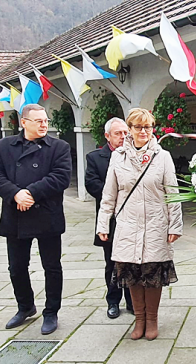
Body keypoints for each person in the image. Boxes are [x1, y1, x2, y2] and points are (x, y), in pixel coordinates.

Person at [96, 108, 183, 341]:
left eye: (147, 127)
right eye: (138, 127)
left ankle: (152, 319)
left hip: (156, 223)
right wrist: (103, 224)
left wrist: (175, 225)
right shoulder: (118, 157)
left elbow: (172, 193)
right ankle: (139, 319)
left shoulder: (162, 156)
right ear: (130, 129)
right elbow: (109, 194)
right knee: (132, 274)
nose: (143, 131)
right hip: (127, 224)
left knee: (152, 273)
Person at [0, 104, 72, 335]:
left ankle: (51, 312)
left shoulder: (59, 147)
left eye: (45, 120)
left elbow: (61, 177)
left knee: (52, 267)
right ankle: (25, 306)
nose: (44, 125)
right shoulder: (4, 147)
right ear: (23, 123)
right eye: (38, 121)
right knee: (16, 267)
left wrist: (31, 193)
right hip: (15, 213)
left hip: (47, 213)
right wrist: (15, 193)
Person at [84, 117, 133, 319]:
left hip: (132, 218)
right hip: (110, 219)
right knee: (112, 263)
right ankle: (113, 301)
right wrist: (114, 195)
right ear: (107, 136)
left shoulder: (135, 155)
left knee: (132, 262)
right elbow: (91, 184)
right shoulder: (96, 157)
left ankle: (132, 302)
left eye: (125, 133)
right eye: (118, 133)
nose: (122, 137)